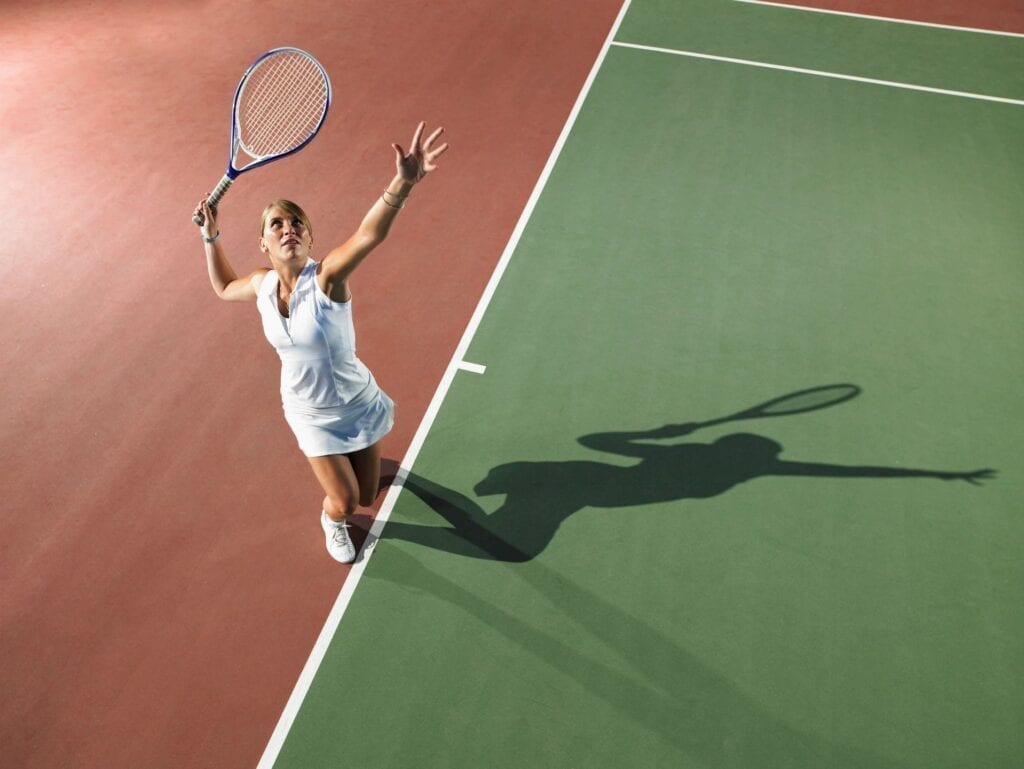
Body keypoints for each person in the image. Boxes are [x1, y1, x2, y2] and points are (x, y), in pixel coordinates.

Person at [192, 122, 448, 563]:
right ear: (263, 243)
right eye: (277, 225)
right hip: (309, 412)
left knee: (369, 495)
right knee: (349, 504)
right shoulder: (261, 285)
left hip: (356, 400)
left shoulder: (328, 279)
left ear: (310, 238)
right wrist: (209, 235)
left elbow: (370, 235)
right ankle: (331, 519)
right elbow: (222, 287)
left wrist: (402, 184)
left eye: (297, 224)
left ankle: (358, 474)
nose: (288, 229)